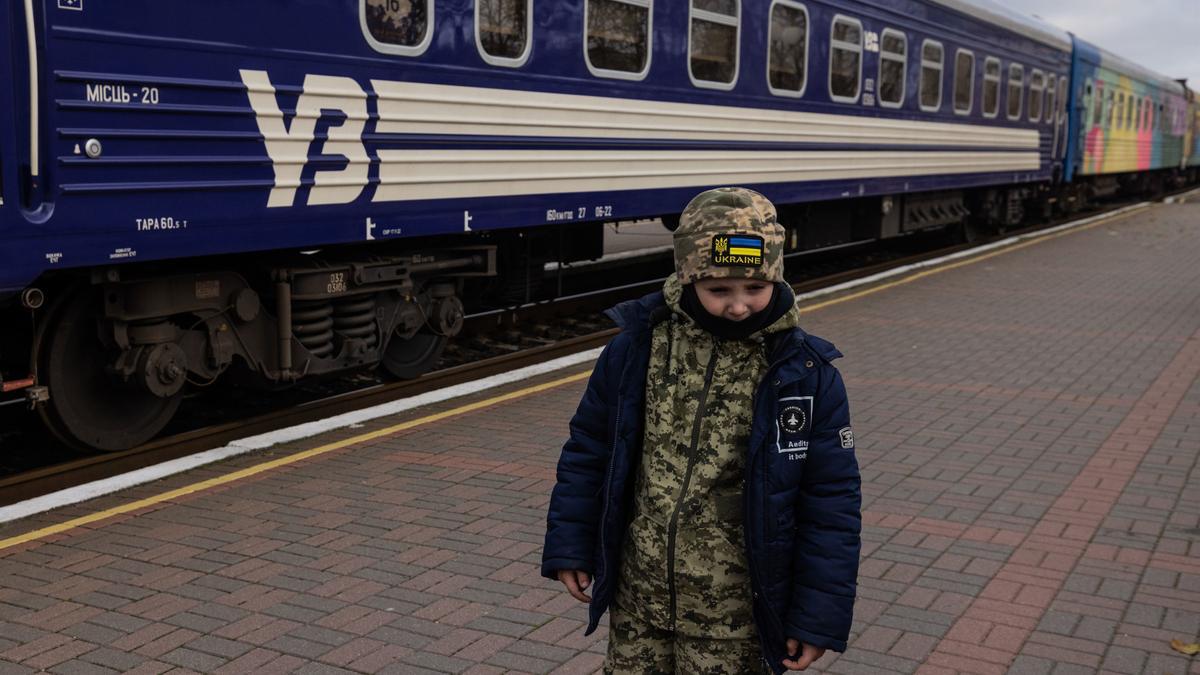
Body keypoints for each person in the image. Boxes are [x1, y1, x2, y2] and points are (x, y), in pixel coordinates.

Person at [541, 187, 862, 674]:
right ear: (687, 279)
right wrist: (571, 544)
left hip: (736, 618)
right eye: (719, 291)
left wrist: (816, 618)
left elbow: (831, 502)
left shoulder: (804, 373)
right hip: (639, 598)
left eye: (756, 288)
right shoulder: (636, 350)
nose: (738, 306)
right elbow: (590, 449)